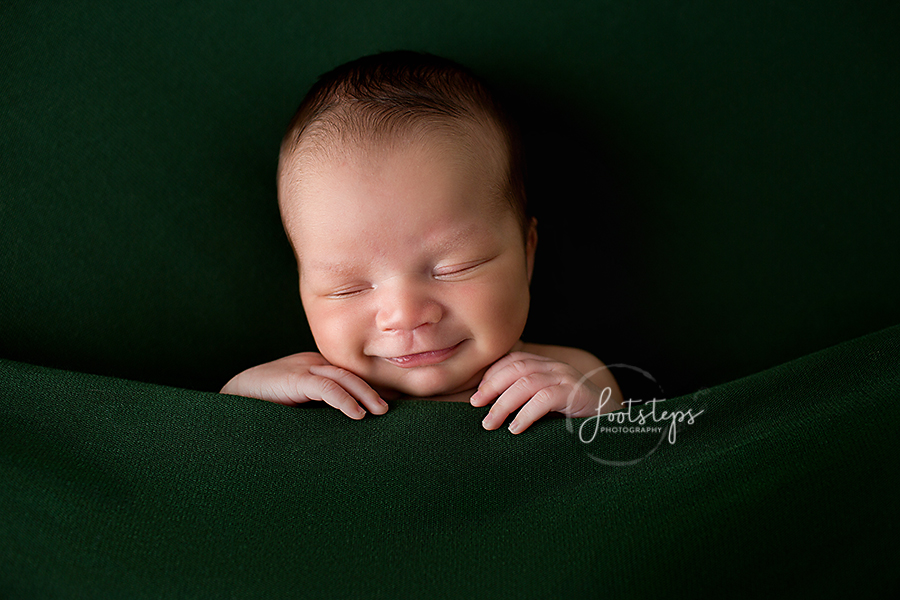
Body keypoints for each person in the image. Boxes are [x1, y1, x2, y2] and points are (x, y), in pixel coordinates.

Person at [221, 50, 622, 433]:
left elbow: (627, 462)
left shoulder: (570, 376)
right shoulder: (306, 395)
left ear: (527, 253)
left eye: (453, 268)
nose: (405, 315)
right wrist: (238, 404)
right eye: (347, 288)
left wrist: (595, 411)